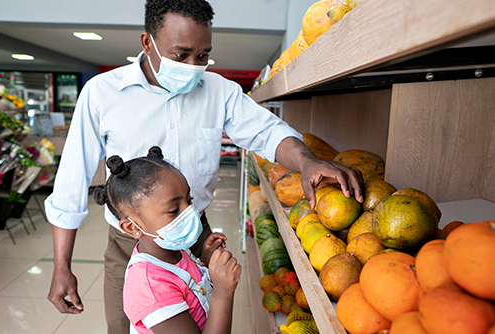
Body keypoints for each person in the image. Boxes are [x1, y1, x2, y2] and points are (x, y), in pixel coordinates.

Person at [45, 0, 364, 333]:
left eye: (203, 56)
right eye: (180, 55)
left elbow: (268, 132)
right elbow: (71, 183)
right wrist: (61, 266)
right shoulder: (102, 93)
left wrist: (307, 160)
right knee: (123, 325)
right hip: (132, 244)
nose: (193, 66)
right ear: (147, 43)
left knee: (205, 309)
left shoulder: (219, 91)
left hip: (197, 232)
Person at [94, 146, 241, 334]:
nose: (190, 212)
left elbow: (187, 285)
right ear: (132, 227)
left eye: (189, 200)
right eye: (173, 210)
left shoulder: (173, 249)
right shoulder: (149, 286)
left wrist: (203, 258)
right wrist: (223, 292)